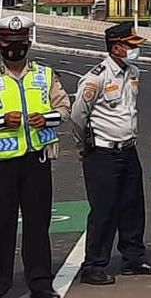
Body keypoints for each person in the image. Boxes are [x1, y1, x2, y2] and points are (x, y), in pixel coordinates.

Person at [70, 22, 151, 285]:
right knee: (104, 210)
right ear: (116, 47)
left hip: (128, 149)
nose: (135, 50)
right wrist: (84, 145)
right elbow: (78, 115)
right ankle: (94, 265)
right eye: (131, 46)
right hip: (102, 152)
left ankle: (134, 258)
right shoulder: (96, 77)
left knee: (133, 206)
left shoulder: (133, 72)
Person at [0, 15, 70, 298]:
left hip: (36, 159)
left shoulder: (45, 75)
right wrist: (4, 121)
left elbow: (64, 108)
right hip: (3, 162)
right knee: (2, 224)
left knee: (38, 223)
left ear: (27, 43)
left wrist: (48, 118)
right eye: (7, 43)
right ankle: (1, 281)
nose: (13, 48)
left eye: (19, 43)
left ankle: (40, 281)